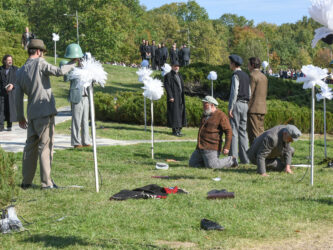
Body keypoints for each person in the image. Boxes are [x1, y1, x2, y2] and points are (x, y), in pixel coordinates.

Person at [16, 39, 76, 189]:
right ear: (38, 51)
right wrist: (74, 62)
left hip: (31, 114)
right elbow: (59, 71)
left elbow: (17, 97)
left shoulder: (20, 71)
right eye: (42, 52)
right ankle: (46, 182)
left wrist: (20, 117)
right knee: (45, 146)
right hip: (44, 112)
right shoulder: (40, 63)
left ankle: (26, 181)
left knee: (30, 148)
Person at [189, 96, 237, 169]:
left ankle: (231, 160)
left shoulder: (221, 115)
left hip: (211, 147)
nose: (203, 106)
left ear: (212, 105)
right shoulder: (205, 114)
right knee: (192, 164)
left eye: (205, 104)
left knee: (212, 166)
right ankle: (205, 161)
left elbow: (229, 131)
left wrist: (226, 147)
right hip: (200, 147)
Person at [64, 44, 91, 149]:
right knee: (76, 120)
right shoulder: (72, 69)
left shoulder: (87, 71)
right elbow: (66, 78)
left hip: (86, 96)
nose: (82, 62)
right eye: (80, 60)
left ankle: (86, 140)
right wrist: (71, 63)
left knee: (85, 120)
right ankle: (76, 142)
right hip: (76, 95)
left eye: (83, 60)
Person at [228, 54, 251, 164]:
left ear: (233, 64)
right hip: (245, 104)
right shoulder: (246, 75)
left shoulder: (235, 75)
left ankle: (234, 159)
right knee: (243, 132)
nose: (229, 65)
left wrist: (231, 107)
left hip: (237, 104)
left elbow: (234, 92)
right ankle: (246, 158)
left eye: (230, 63)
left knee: (234, 131)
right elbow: (249, 92)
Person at [247, 57, 268, 145]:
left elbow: (249, 93)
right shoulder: (264, 77)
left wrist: (246, 107)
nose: (247, 66)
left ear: (252, 65)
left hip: (253, 109)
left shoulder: (252, 76)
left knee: (253, 135)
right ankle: (263, 154)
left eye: (248, 64)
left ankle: (255, 156)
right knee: (261, 133)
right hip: (262, 108)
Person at [163, 60, 186, 136]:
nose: (177, 67)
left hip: (180, 97)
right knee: (174, 114)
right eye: (175, 66)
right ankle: (175, 130)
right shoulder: (168, 75)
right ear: (172, 67)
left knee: (180, 113)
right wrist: (170, 96)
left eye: (178, 66)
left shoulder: (179, 75)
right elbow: (167, 86)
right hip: (173, 97)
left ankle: (179, 129)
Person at [0, 55, 18, 132]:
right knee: (1, 109)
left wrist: (13, 85)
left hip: (11, 93)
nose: (10, 61)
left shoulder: (16, 69)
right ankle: (1, 127)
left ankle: (9, 126)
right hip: (1, 93)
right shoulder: (0, 69)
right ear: (4, 61)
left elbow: (18, 80)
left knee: (10, 108)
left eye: (11, 60)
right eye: (8, 60)